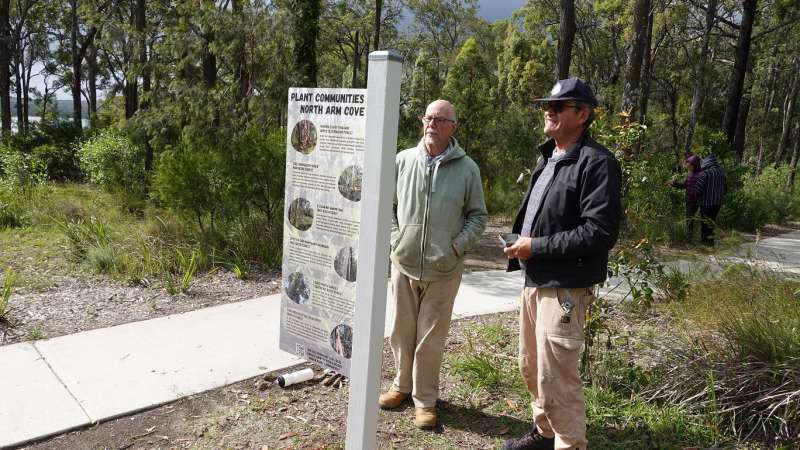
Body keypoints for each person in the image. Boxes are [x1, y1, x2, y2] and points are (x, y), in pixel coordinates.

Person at [502, 78, 622, 450]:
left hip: (565, 285)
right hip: (535, 279)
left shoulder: (597, 163)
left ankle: (570, 443)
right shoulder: (548, 157)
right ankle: (545, 432)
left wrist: (535, 245)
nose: (549, 112)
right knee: (532, 365)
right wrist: (525, 244)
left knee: (558, 375)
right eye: (547, 106)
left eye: (559, 107)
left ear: (582, 114)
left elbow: (599, 232)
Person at [380, 99, 488, 430]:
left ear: (453, 127)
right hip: (404, 262)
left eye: (441, 119)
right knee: (400, 331)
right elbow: (387, 206)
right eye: (428, 117)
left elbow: (478, 216)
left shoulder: (467, 168)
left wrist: (457, 246)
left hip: (444, 270)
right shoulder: (403, 160)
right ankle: (401, 386)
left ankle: (425, 401)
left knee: (430, 337)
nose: (432, 123)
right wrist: (395, 239)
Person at [694, 154, 726, 246]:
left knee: (704, 223)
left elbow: (698, 189)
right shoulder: (721, 173)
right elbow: (725, 189)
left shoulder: (705, 173)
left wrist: (696, 197)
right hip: (717, 203)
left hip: (706, 203)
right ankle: (711, 242)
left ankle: (704, 243)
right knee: (712, 222)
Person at [668, 155, 702, 241]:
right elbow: (684, 185)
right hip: (689, 200)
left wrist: (697, 196)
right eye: (687, 164)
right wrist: (673, 183)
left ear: (694, 165)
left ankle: (690, 238)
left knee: (692, 219)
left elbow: (701, 189)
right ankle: (689, 237)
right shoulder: (690, 174)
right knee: (689, 219)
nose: (687, 165)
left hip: (697, 200)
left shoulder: (701, 175)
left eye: (689, 164)